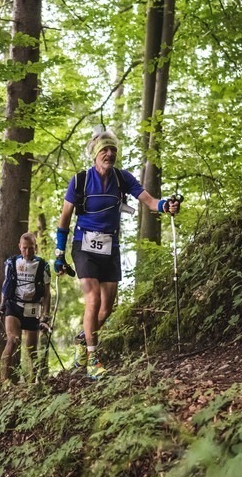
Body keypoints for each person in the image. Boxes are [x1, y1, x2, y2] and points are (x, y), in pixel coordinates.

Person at [53, 128, 180, 378]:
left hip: (110, 247)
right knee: (93, 299)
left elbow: (150, 201)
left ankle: (82, 338)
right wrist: (59, 254)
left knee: (107, 309)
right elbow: (65, 217)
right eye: (104, 150)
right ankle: (93, 359)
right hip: (84, 245)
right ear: (94, 154)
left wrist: (166, 205)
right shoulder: (80, 180)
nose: (109, 153)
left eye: (113, 150)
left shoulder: (123, 179)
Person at [0, 232, 52, 383]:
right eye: (24, 248)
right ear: (19, 247)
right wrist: (2, 306)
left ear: (36, 247)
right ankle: (4, 382)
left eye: (31, 248)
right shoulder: (11, 262)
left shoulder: (43, 265)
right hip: (14, 305)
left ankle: (32, 382)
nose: (27, 252)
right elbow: (6, 285)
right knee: (13, 340)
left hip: (32, 308)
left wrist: (46, 315)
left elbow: (47, 293)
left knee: (31, 349)